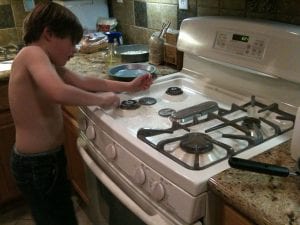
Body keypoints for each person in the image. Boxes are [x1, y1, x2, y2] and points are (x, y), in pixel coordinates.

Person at [8, 2, 152, 225]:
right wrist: (101, 100)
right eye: (71, 43)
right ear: (49, 34)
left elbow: (84, 81)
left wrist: (129, 87)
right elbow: (58, 92)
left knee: (59, 217)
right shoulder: (32, 54)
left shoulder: (47, 61)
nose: (74, 50)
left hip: (47, 162)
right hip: (36, 166)